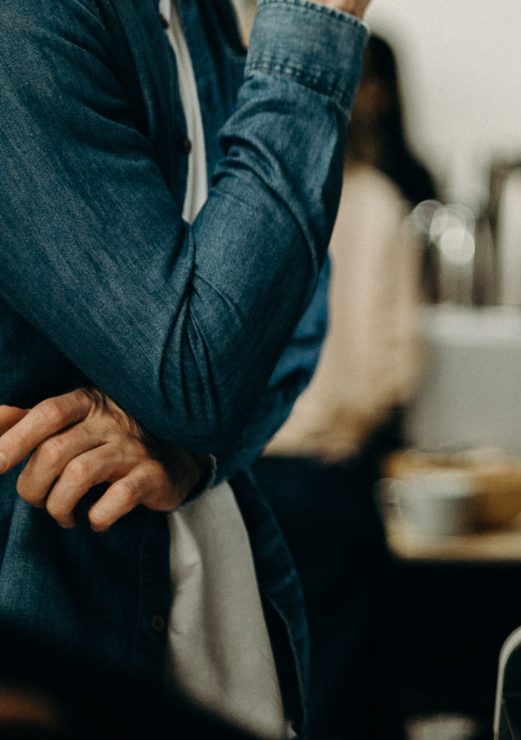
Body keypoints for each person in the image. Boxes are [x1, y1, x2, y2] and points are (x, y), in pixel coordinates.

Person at [0, 0, 369, 736]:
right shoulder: (29, 19)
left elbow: (293, 316)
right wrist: (314, 23)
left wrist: (188, 449)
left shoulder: (193, 14)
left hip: (218, 621)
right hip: (61, 637)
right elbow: (198, 372)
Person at [252, 33, 435, 739]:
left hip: (243, 472)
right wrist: (352, 419)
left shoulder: (260, 199)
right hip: (329, 472)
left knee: (260, 671)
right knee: (336, 684)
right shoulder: (381, 203)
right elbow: (393, 365)